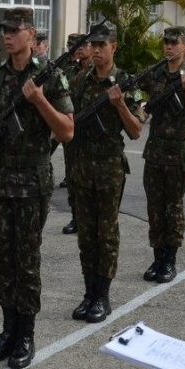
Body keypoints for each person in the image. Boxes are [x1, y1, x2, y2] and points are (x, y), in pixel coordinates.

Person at [0, 7, 74, 369]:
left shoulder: (50, 76)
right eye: (3, 29)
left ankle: (26, 333)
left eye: (14, 29)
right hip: (2, 179)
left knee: (27, 262)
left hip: (33, 181)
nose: (7, 35)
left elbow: (67, 131)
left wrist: (39, 100)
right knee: (3, 260)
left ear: (31, 32)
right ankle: (7, 330)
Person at [66, 22, 142, 323]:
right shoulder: (81, 80)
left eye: (102, 45)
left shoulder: (125, 82)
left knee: (106, 232)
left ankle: (103, 296)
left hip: (109, 168)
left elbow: (136, 130)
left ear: (114, 47)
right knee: (86, 233)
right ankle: (88, 292)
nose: (96, 50)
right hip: (81, 166)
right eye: (93, 45)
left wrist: (120, 103)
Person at [138, 26, 185, 284]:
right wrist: (139, 108)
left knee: (173, 208)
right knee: (155, 209)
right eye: (166, 42)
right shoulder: (155, 74)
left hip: (177, 153)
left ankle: (170, 260)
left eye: (174, 42)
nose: (168, 47)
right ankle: (157, 258)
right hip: (154, 151)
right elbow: (133, 90)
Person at [59, 33, 91, 229]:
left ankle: (88, 217)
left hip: (89, 133)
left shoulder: (97, 71)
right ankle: (75, 217)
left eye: (83, 45)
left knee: (89, 177)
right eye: (76, 45)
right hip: (72, 131)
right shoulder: (69, 70)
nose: (79, 48)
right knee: (72, 176)